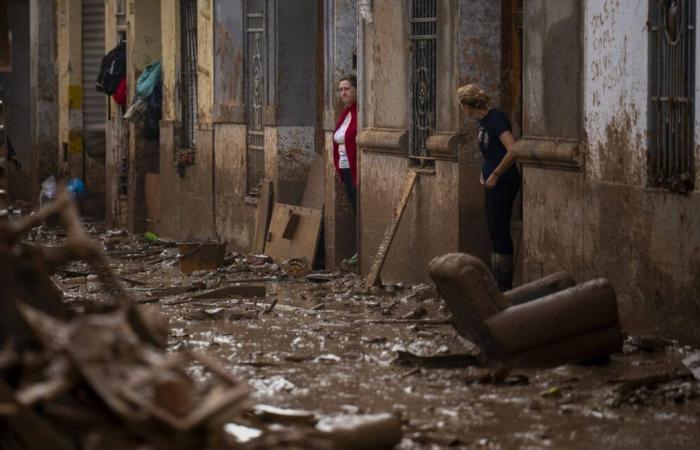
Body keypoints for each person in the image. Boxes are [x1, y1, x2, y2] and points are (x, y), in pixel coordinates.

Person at [457, 83, 520, 291]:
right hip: (492, 181)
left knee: (501, 230)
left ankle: (504, 289)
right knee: (493, 230)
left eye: (461, 106)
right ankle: (496, 285)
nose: (461, 110)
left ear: (469, 105)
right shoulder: (481, 121)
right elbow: (491, 152)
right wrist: (485, 173)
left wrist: (495, 174)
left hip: (504, 180)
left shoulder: (496, 118)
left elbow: (513, 149)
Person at [333, 74, 358, 267]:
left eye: (347, 89)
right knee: (354, 208)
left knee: (359, 208)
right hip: (345, 169)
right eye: (341, 90)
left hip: (355, 168)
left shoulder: (359, 113)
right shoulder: (345, 113)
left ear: (356, 90)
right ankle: (358, 250)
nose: (343, 93)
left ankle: (361, 251)